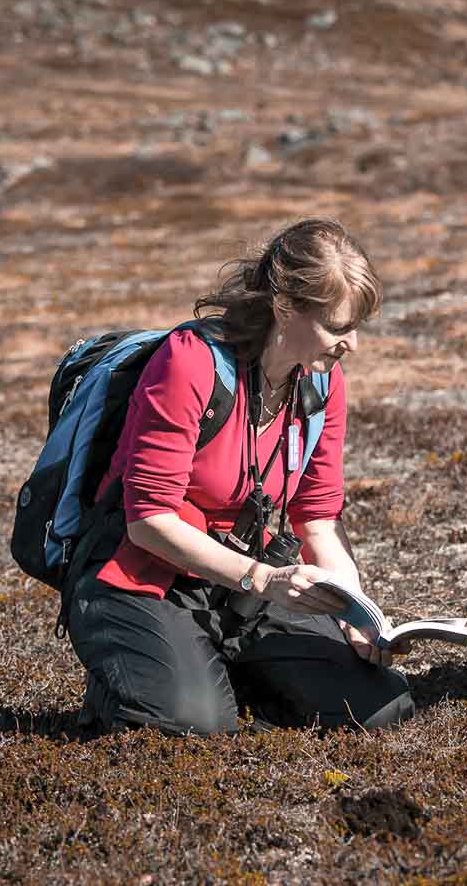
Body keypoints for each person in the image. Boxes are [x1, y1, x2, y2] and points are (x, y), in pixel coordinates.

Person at [66, 218, 415, 735]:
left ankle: (215, 671)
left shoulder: (322, 383)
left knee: (379, 708)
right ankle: (139, 675)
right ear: (285, 308)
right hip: (144, 574)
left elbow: (318, 518)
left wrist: (357, 615)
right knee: (193, 728)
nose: (352, 345)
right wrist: (264, 579)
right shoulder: (188, 362)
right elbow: (147, 520)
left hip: (246, 587)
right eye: (338, 327)